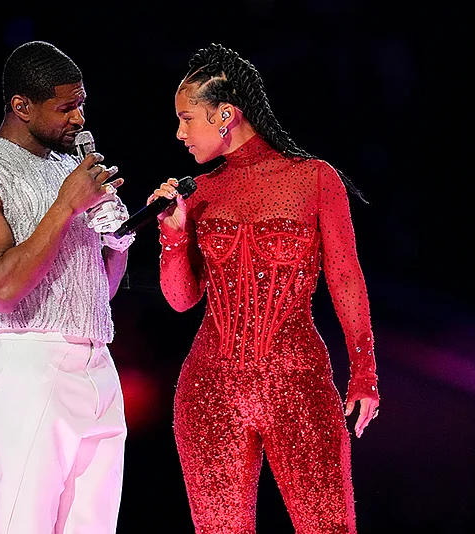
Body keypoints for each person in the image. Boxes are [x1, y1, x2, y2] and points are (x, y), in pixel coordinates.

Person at [148, 43, 380, 533]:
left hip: (298, 385)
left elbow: (345, 277)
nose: (179, 132)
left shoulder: (315, 180)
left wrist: (365, 371)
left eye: (187, 118)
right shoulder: (200, 194)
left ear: (225, 115)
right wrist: (172, 234)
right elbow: (181, 299)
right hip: (208, 391)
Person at [0, 40, 135, 534]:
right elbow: (2, 288)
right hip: (29, 364)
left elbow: (92, 295)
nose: (79, 119)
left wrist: (116, 243)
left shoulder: (70, 171)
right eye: (66, 108)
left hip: (97, 360)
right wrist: (67, 207)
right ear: (21, 106)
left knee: (95, 526)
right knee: (25, 523)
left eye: (82, 104)